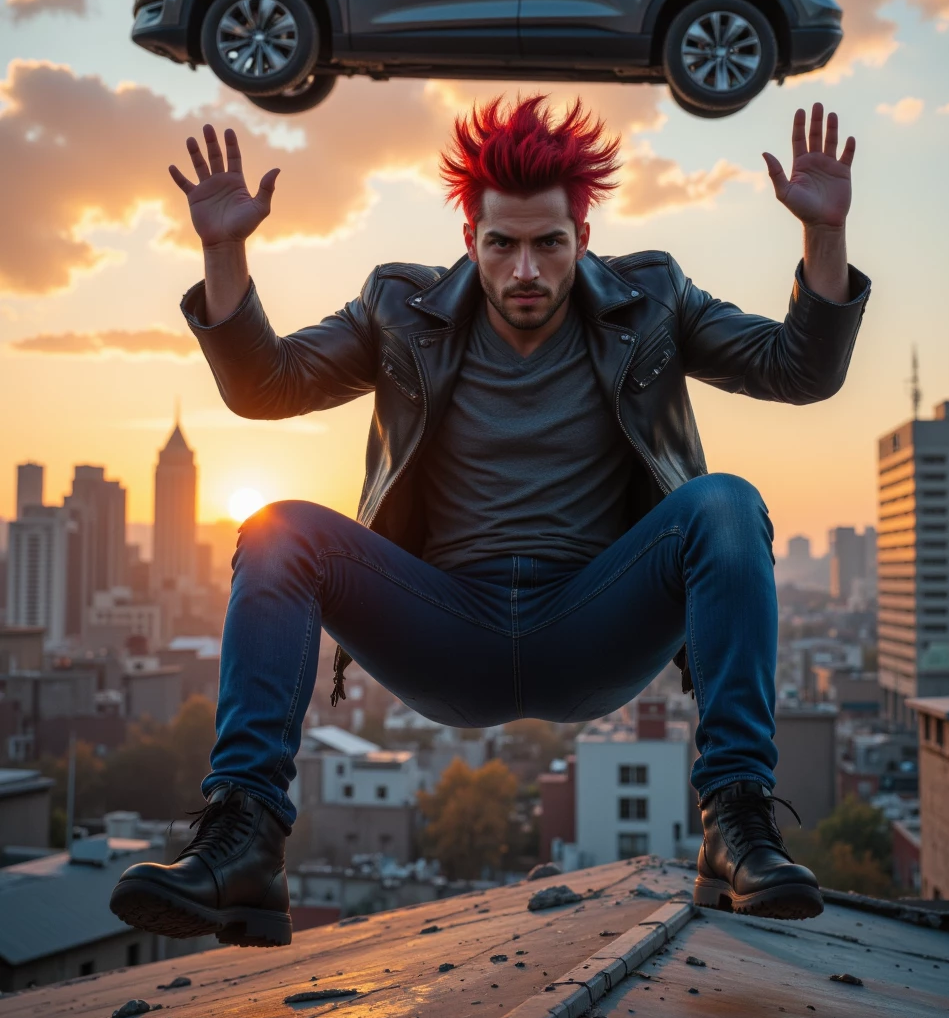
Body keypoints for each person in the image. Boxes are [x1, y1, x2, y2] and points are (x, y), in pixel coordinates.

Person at [110, 95, 869, 947]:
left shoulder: (655, 300)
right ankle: (246, 841)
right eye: (502, 244)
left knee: (726, 502)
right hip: (447, 632)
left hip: (594, 624)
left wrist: (823, 238)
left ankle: (735, 824)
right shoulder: (401, 311)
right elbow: (265, 386)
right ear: (469, 238)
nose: (526, 273)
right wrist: (224, 252)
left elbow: (800, 370)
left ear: (583, 235)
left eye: (550, 244)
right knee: (277, 527)